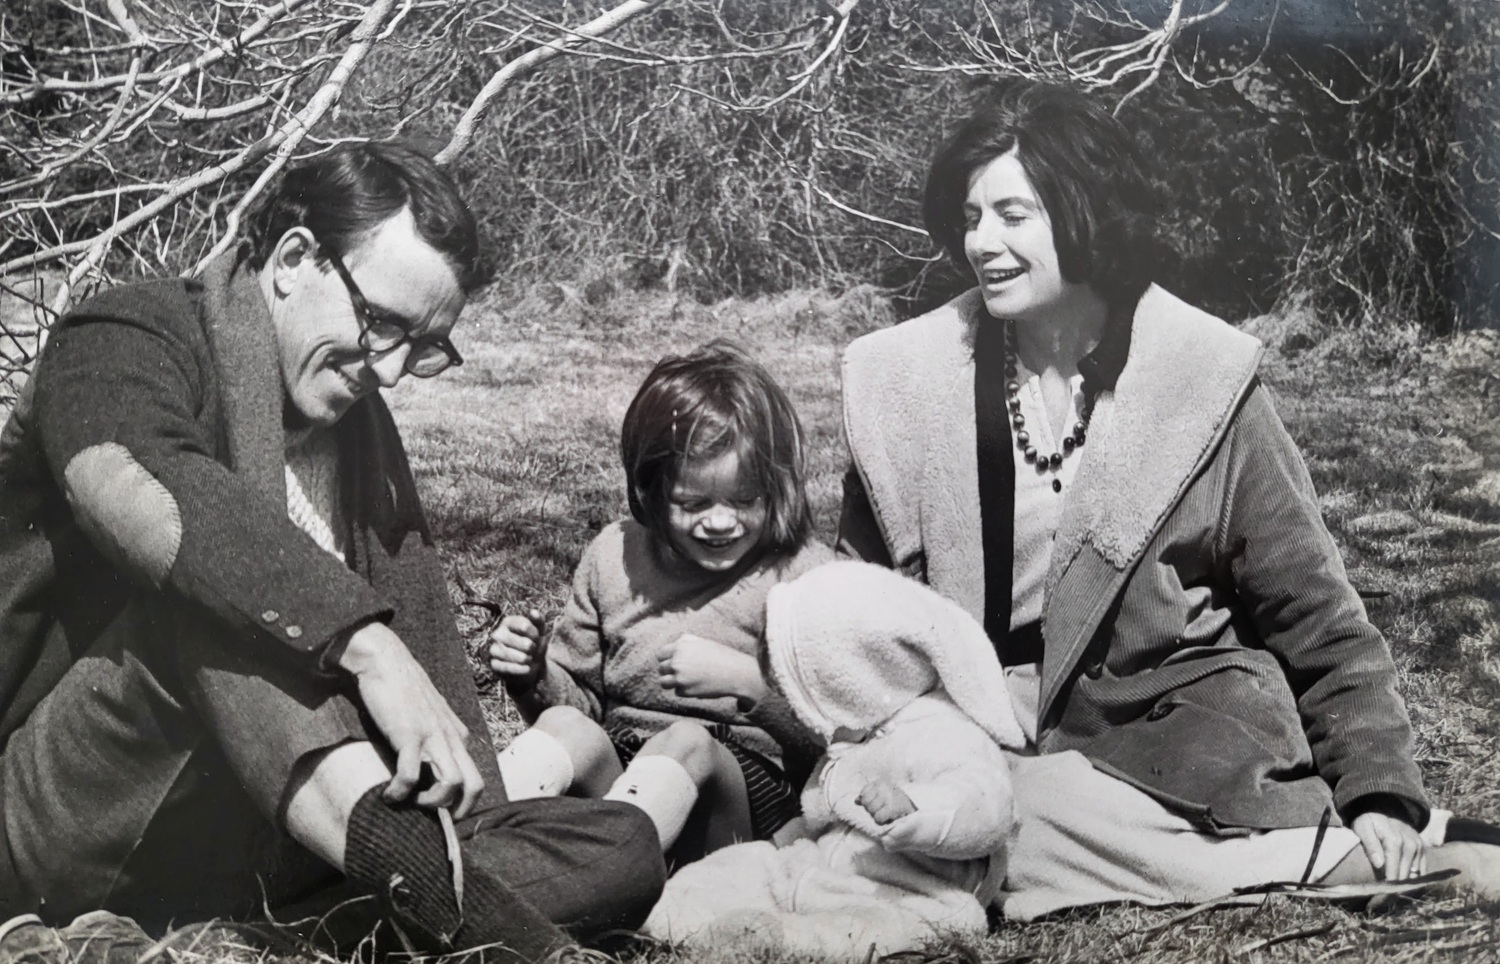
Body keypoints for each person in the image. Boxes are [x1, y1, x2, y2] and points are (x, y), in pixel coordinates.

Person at [836, 79, 1500, 921]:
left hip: (1164, 731)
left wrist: (1382, 792)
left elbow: (1317, 615)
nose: (984, 244)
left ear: (1084, 214)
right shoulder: (905, 383)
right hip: (971, 725)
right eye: (972, 217)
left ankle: (1370, 853)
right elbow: (852, 606)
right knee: (917, 816)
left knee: (1016, 822)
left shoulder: (1203, 384)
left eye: (1014, 215)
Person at [0, 140, 663, 960]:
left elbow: (438, 689)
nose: (388, 368)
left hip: (261, 838)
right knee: (238, 608)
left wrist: (466, 795)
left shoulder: (355, 422)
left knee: (621, 842)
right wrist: (367, 644)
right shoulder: (124, 333)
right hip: (59, 817)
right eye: (380, 322)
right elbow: (152, 501)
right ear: (294, 258)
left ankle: (236, 944)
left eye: (423, 346)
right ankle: (502, 941)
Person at [488, 340, 831, 861]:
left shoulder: (806, 576)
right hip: (628, 777)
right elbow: (581, 700)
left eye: (744, 500)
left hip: (741, 803)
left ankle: (607, 874)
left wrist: (747, 683)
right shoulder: (615, 556)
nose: (721, 521)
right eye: (693, 503)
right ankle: (464, 849)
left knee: (688, 741)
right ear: (650, 489)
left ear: (777, 488)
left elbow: (841, 734)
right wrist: (533, 676)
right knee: (566, 728)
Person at [643, 560, 1025, 957]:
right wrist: (780, 846)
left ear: (853, 686)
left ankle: (782, 946)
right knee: (740, 868)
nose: (797, 718)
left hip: (908, 894)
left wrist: (916, 808)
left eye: (801, 707)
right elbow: (821, 817)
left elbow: (987, 806)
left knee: (860, 931)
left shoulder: (947, 734)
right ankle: (661, 910)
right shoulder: (856, 737)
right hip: (821, 871)